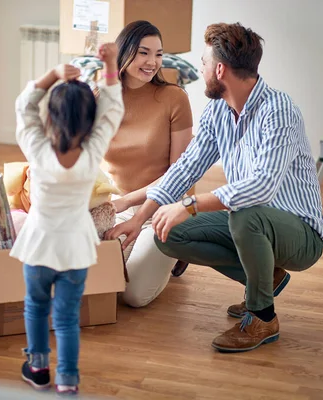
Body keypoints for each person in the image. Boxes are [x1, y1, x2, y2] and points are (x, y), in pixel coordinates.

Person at [107, 22, 323, 353]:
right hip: (252, 222)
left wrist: (191, 204)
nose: (201, 68)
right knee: (169, 231)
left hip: (299, 232)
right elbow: (184, 168)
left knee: (245, 215)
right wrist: (142, 217)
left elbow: (261, 188)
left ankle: (262, 317)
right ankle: (264, 279)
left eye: (204, 63)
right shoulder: (219, 111)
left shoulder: (279, 111)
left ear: (219, 69)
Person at [10, 43, 124, 395]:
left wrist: (54, 75)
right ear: (89, 121)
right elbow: (113, 109)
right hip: (75, 247)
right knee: (67, 318)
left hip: (39, 244)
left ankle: (39, 368)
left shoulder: (37, 148)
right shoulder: (92, 153)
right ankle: (68, 380)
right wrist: (109, 65)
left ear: (51, 117)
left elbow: (24, 105)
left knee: (36, 306)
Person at [102, 20, 194, 308]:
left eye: (158, 54)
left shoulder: (173, 98)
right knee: (92, 279)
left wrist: (128, 203)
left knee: (132, 295)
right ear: (124, 51)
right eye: (144, 53)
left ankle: (178, 251)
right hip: (114, 205)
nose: (152, 62)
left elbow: (179, 175)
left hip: (162, 208)